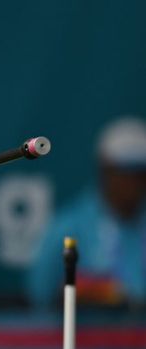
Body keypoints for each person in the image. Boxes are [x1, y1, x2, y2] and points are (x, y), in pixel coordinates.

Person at [27, 116, 146, 308]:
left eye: (141, 174)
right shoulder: (69, 226)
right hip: (83, 334)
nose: (135, 184)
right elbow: (40, 294)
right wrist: (95, 292)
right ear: (105, 171)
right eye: (126, 172)